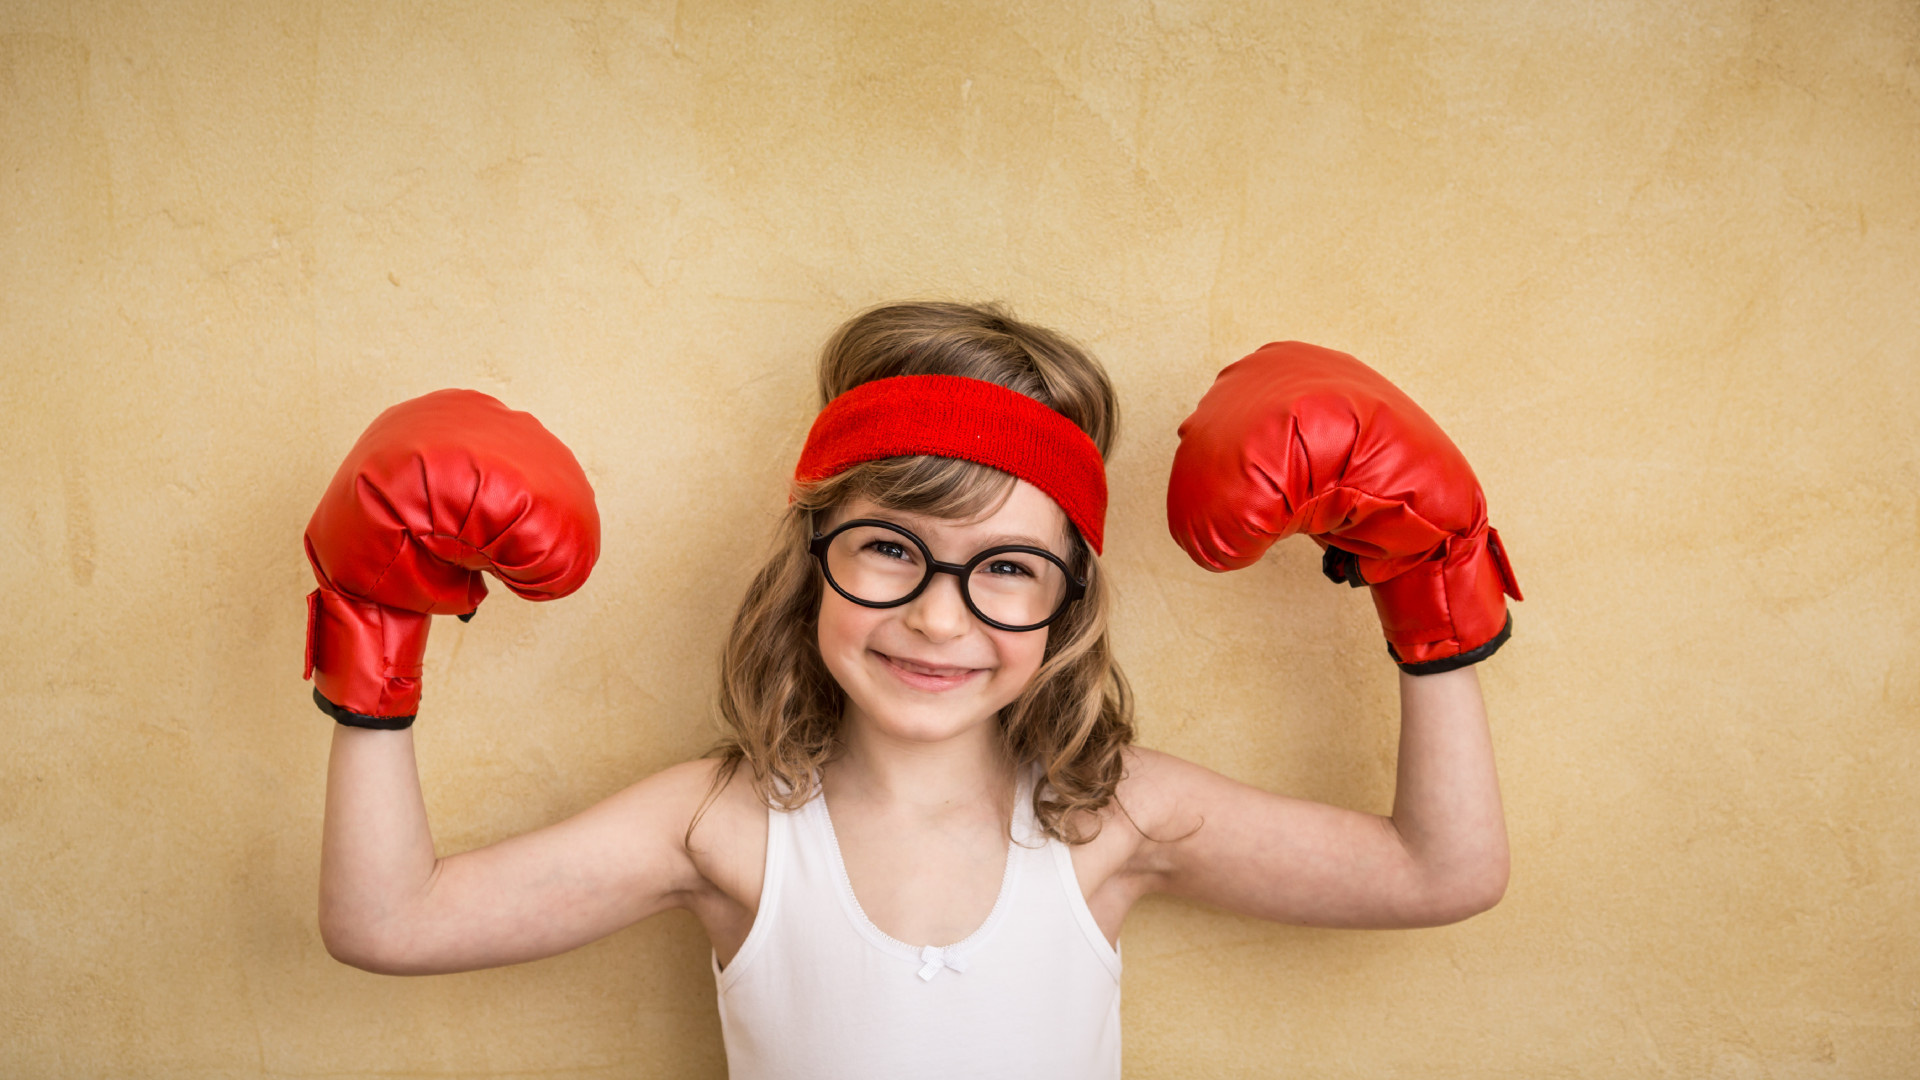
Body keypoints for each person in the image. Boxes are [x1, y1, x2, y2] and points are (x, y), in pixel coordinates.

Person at [306, 301, 1521, 1079]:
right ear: (812, 560)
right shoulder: (720, 824)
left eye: (1008, 568)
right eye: (891, 548)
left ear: (1068, 603)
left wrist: (1432, 586)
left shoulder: (1111, 817)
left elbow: (1441, 871)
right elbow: (388, 923)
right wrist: (377, 632)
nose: (941, 617)